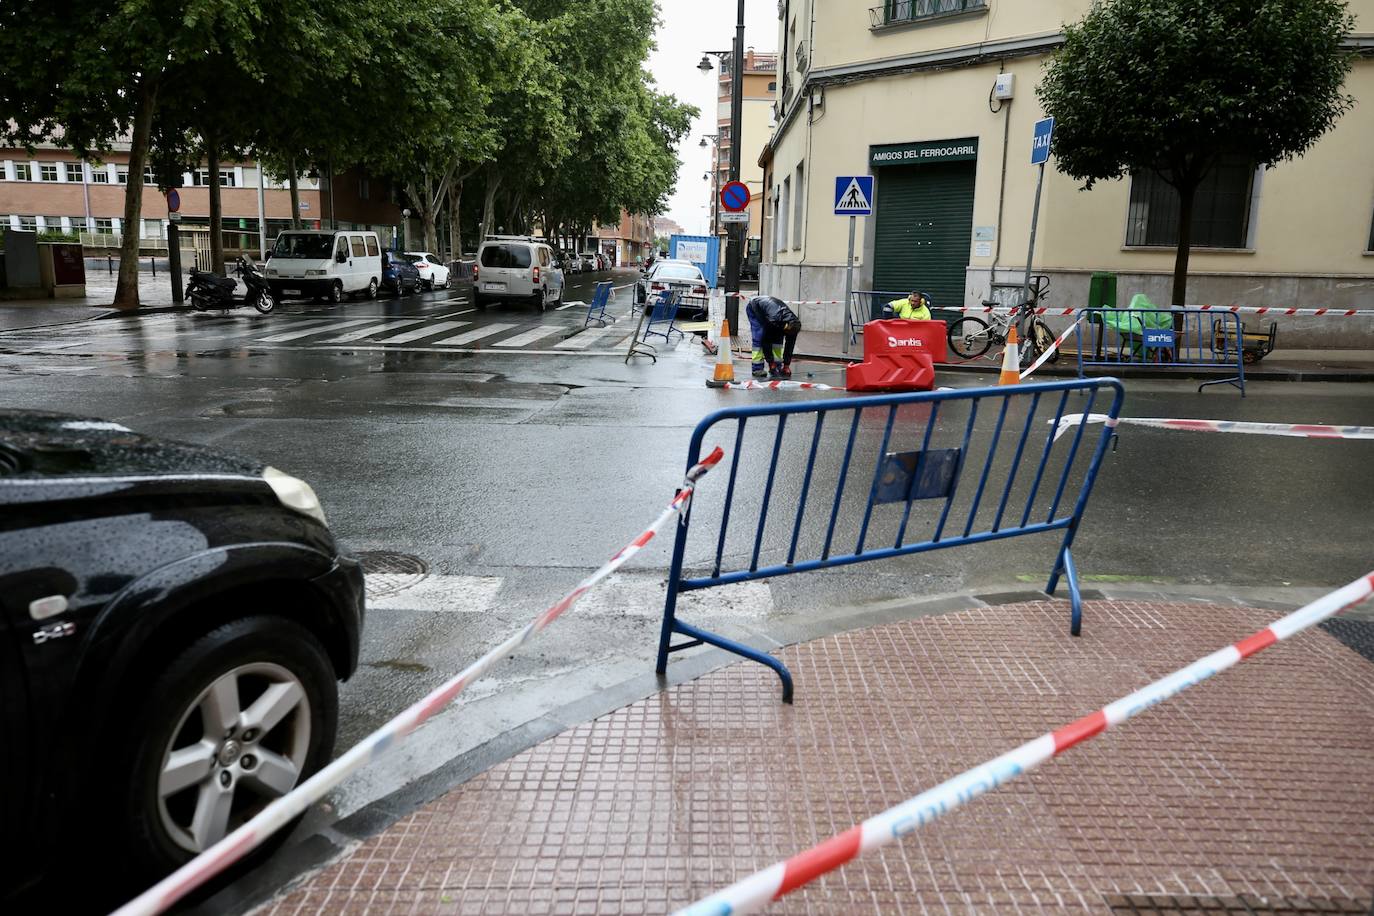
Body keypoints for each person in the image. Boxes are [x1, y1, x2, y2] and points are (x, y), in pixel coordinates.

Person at [744, 295, 802, 379]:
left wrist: (786, 365)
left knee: (778, 339)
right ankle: (757, 368)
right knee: (759, 336)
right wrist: (770, 362)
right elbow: (766, 341)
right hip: (755, 308)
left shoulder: (794, 325)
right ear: (786, 328)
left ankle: (777, 365)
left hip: (772, 312)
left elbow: (790, 345)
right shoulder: (774, 320)